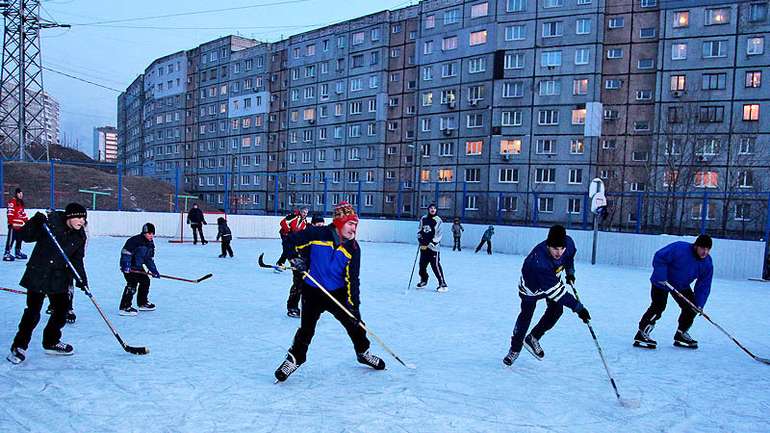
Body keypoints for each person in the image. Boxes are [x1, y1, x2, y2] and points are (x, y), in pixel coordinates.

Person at [273, 202, 385, 382]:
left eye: (355, 224)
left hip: (337, 293)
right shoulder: (318, 234)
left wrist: (353, 306)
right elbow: (290, 240)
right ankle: (294, 359)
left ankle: (363, 352)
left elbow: (352, 280)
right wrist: (294, 258)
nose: (354, 228)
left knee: (355, 324)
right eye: (350, 223)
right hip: (312, 290)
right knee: (306, 329)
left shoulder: (353, 248)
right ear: (340, 222)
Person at [7, 203, 88, 364]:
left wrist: (82, 280)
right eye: (78, 217)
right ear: (69, 217)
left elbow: (77, 261)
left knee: (62, 311)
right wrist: (34, 221)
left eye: (84, 218)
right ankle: (19, 346)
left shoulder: (80, 236)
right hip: (39, 273)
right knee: (32, 312)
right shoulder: (49, 224)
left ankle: (51, 341)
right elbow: (25, 236)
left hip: (59, 277)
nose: (82, 221)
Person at [503, 225, 591, 366]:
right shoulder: (539, 262)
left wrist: (570, 272)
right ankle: (515, 349)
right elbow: (560, 294)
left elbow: (568, 258)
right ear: (548, 245)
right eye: (555, 248)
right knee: (526, 317)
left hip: (551, 281)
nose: (559, 252)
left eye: (561, 248)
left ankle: (533, 337)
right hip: (531, 289)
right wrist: (579, 309)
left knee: (556, 310)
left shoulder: (568, 244)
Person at [634, 235, 713, 350]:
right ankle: (642, 333)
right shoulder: (679, 248)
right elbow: (659, 256)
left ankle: (681, 334)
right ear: (696, 246)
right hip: (662, 281)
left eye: (708, 249)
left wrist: (700, 303)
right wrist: (661, 275)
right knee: (658, 306)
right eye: (702, 248)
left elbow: (704, 285)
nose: (705, 252)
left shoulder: (707, 263)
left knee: (692, 307)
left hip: (681, 285)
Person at [286, 214, 325, 318]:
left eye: (322, 225)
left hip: (312, 265)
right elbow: (289, 243)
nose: (321, 227)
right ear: (312, 224)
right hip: (299, 264)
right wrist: (295, 259)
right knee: (298, 286)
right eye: (318, 225)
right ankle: (292, 308)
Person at [119, 223, 160, 316]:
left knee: (145, 281)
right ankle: (124, 307)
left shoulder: (150, 243)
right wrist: (126, 265)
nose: (151, 236)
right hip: (129, 267)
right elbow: (126, 253)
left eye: (153, 233)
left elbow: (148, 259)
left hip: (138, 266)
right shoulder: (135, 241)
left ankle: (142, 303)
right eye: (149, 233)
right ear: (144, 233)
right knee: (132, 284)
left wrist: (154, 271)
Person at [417, 203, 448, 292]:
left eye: (434, 208)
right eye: (431, 208)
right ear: (428, 209)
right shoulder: (423, 218)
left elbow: (439, 234)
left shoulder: (438, 220)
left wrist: (432, 242)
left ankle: (442, 283)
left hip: (433, 248)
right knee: (422, 265)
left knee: (435, 266)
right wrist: (420, 239)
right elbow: (420, 230)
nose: (433, 210)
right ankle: (424, 280)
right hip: (424, 247)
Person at [4, 188, 28, 261]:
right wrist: (10, 223)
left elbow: (22, 214)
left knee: (19, 239)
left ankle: (18, 252)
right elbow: (10, 212)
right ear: (16, 194)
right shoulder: (12, 202)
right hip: (13, 226)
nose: (21, 195)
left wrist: (28, 222)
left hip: (20, 226)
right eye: (19, 194)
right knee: (11, 239)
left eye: (22, 194)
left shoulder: (21, 203)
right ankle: (7, 253)